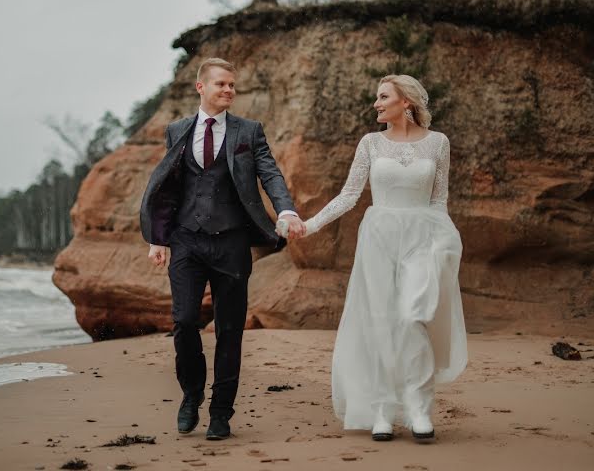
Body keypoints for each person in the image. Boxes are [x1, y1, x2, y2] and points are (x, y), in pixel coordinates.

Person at [281, 74, 467, 442]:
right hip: (380, 236)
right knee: (382, 321)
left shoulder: (438, 144)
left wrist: (445, 243)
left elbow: (439, 199)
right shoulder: (370, 143)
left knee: (416, 316)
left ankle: (418, 408)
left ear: (407, 102)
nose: (376, 104)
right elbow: (350, 195)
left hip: (424, 236)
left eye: (383, 97)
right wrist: (310, 224)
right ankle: (382, 408)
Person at [140, 57, 304, 440]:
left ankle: (221, 413)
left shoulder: (249, 132)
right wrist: (158, 237)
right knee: (183, 321)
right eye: (221, 84)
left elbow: (270, 173)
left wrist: (286, 208)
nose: (229, 90)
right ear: (201, 88)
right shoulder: (176, 130)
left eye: (232, 85)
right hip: (186, 240)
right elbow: (169, 187)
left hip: (231, 242)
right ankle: (191, 393)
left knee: (230, 331)